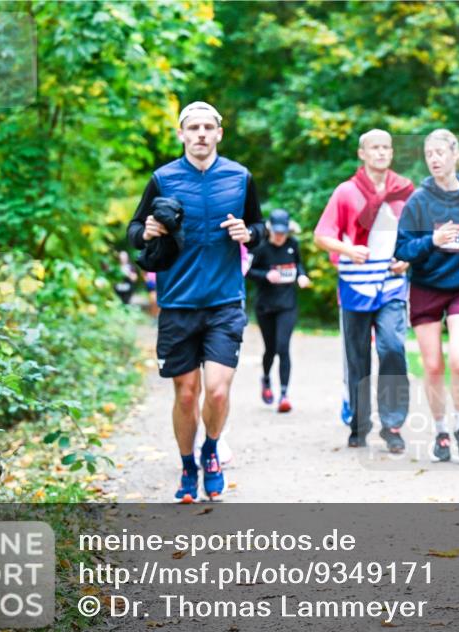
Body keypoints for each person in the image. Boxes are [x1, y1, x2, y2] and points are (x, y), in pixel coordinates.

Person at [127, 101, 266, 503]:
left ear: (219, 133)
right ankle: (188, 464)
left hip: (225, 302)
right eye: (194, 128)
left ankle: (211, 451)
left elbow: (256, 224)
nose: (201, 134)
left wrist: (249, 234)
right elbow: (133, 230)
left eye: (208, 127)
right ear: (182, 134)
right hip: (177, 303)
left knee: (218, 392)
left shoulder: (240, 177)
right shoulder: (163, 178)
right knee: (186, 394)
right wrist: (147, 230)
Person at [395, 129, 459, 464]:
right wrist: (433, 242)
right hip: (425, 288)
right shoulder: (419, 201)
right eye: (429, 155)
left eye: (440, 152)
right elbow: (402, 250)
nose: (435, 159)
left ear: (456, 155)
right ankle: (440, 430)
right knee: (434, 366)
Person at [314, 129, 414, 452]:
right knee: (357, 358)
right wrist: (347, 249)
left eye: (386, 147)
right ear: (362, 153)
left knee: (392, 347)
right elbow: (321, 235)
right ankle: (359, 424)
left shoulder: (405, 192)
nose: (381, 152)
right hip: (355, 286)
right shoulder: (346, 192)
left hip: (391, 286)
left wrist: (407, 258)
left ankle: (393, 424)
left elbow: (418, 236)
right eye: (375, 147)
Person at [247, 209, 311, 412]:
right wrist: (266, 275)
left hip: (287, 305)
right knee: (271, 350)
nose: (280, 236)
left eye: (283, 232)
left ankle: (284, 395)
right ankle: (265, 379)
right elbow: (248, 271)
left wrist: (301, 275)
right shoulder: (261, 247)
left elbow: (298, 264)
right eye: (277, 232)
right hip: (266, 306)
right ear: (270, 229)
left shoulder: (293, 245)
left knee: (283, 347)